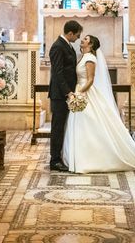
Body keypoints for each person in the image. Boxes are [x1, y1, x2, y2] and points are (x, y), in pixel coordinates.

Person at [62, 35, 135, 173]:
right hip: (80, 92)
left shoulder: (90, 58)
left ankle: (93, 157)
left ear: (91, 44)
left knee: (90, 121)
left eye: (86, 39)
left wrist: (79, 93)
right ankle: (82, 155)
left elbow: (90, 80)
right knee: (81, 124)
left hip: (86, 93)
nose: (83, 40)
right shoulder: (83, 57)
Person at [48, 20, 83, 172]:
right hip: (60, 95)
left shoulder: (67, 45)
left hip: (65, 93)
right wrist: (67, 92)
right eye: (77, 35)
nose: (78, 38)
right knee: (57, 127)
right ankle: (54, 160)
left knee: (62, 126)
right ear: (70, 33)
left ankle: (60, 156)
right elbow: (58, 73)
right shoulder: (57, 47)